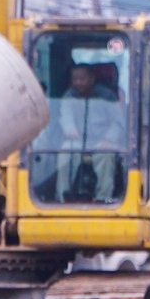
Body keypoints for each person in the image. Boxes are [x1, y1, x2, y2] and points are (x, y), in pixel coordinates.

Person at [43, 57, 126, 203]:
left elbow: (117, 122)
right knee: (65, 152)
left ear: (92, 78)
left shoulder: (107, 96)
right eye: (75, 79)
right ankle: (63, 196)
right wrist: (70, 129)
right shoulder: (68, 97)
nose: (78, 82)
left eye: (82, 78)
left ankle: (103, 197)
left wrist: (108, 140)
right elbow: (65, 115)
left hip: (101, 141)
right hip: (76, 141)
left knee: (106, 156)